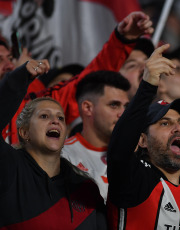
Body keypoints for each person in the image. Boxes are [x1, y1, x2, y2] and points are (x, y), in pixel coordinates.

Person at [2, 11, 154, 145]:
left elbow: (86, 83)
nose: (9, 64)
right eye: (0, 60)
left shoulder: (30, 108)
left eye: (9, 57)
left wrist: (122, 41)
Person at [0, 60, 107, 229]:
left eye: (60, 118)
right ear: (24, 132)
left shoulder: (85, 188)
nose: (55, 122)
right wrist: (18, 79)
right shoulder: (9, 168)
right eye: (44, 116)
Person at [107, 44, 180, 229]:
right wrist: (148, 85)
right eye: (164, 123)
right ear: (142, 140)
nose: (177, 128)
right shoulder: (134, 178)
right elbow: (119, 150)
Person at [62, 70, 130, 202]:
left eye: (126, 107)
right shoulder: (63, 156)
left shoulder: (136, 155)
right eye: (114, 105)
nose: (123, 114)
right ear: (87, 108)